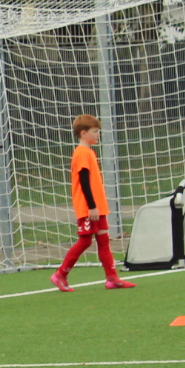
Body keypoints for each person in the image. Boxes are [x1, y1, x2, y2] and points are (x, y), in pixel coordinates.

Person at [52, 114, 135, 292]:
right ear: (84, 133)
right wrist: (91, 206)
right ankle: (60, 274)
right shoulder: (81, 153)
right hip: (89, 207)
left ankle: (112, 278)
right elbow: (83, 181)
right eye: (95, 131)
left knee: (103, 240)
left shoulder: (89, 152)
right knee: (85, 241)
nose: (98, 134)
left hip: (97, 206)